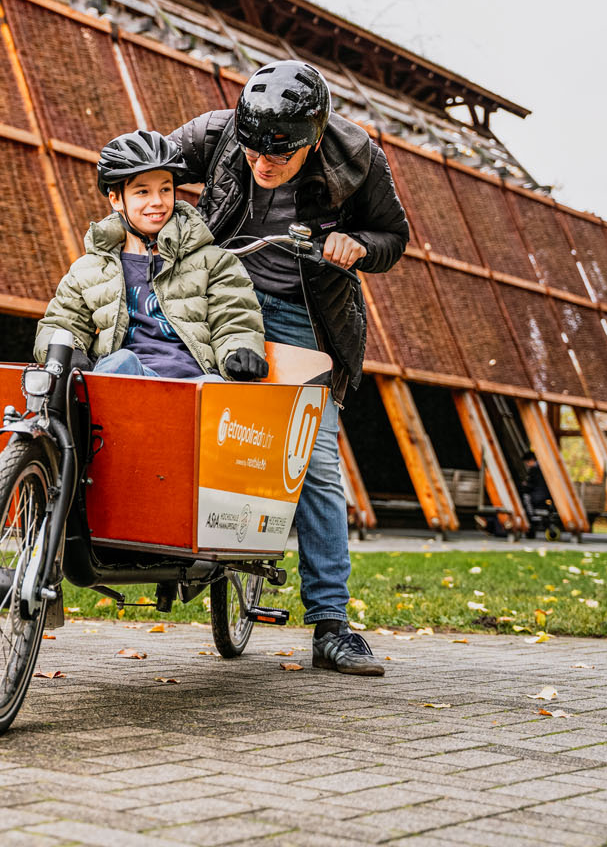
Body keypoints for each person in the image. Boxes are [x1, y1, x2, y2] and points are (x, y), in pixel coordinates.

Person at [169, 60, 409, 676]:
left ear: (314, 137)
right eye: (252, 153)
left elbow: (392, 237)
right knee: (166, 403)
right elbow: (151, 172)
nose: (261, 166)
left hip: (305, 313)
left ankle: (332, 625)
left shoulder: (359, 160)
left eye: (278, 157)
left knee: (316, 462)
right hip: (217, 298)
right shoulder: (218, 136)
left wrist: (358, 247)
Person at [34, 129, 266, 381]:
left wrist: (238, 352)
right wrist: (70, 352)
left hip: (192, 384)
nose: (157, 201)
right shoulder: (89, 270)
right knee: (122, 361)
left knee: (215, 384)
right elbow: (61, 324)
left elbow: (234, 319)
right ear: (116, 199)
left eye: (165, 190)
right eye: (142, 192)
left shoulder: (214, 262)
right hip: (125, 382)